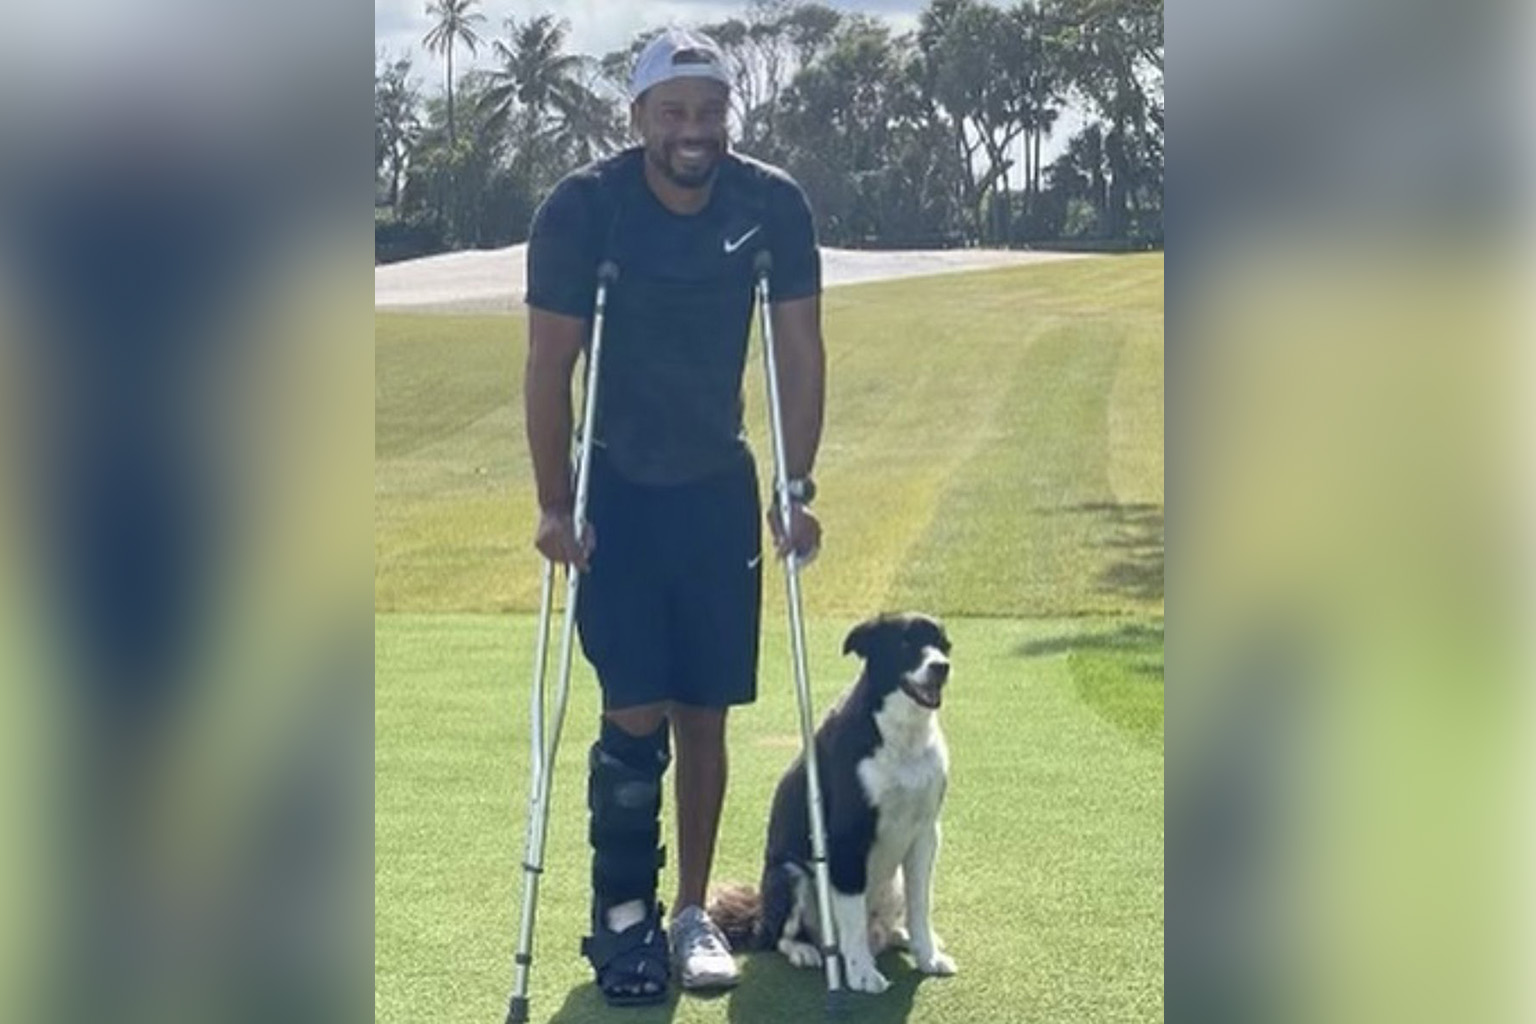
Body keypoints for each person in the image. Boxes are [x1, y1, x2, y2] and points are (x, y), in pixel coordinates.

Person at [522, 25, 826, 1007]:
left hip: (715, 487)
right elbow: (548, 364)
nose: (694, 130)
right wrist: (554, 502)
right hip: (617, 487)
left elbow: (799, 347)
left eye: (710, 111)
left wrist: (796, 485)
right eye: (674, 112)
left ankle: (691, 913)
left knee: (707, 708)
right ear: (640, 116)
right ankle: (623, 921)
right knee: (633, 709)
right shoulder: (585, 210)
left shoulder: (768, 204)